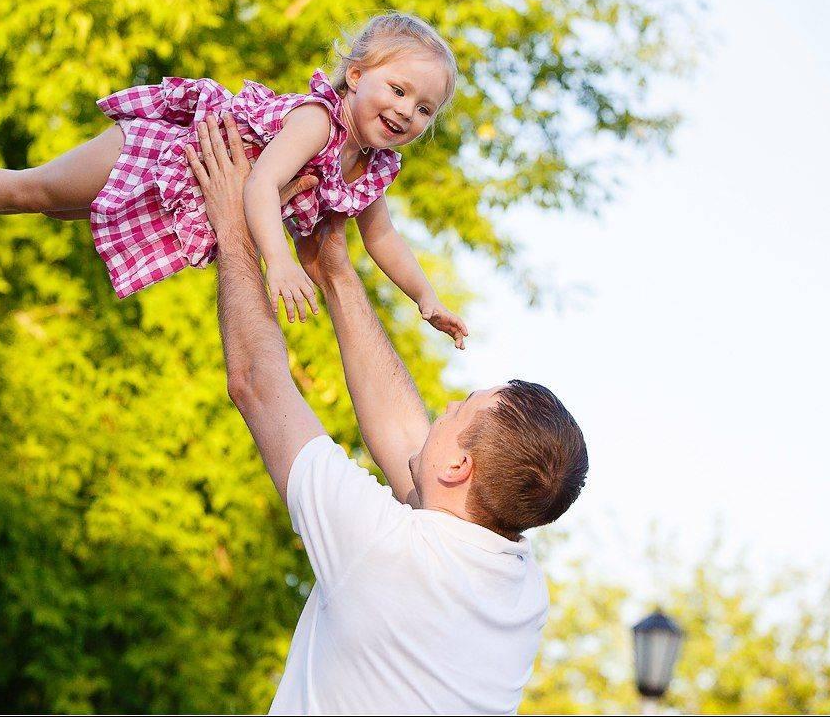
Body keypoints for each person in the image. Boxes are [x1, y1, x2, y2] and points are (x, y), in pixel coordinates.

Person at [189, 112, 589, 714]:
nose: (444, 406)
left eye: (459, 409)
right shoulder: (517, 588)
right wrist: (336, 270)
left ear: (459, 467)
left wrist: (233, 223)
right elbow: (415, 456)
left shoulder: (382, 549)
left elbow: (257, 384)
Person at [0, 12, 468, 348]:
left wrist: (426, 297)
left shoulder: (371, 171)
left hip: (183, 201)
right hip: (162, 158)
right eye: (398, 89)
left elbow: (382, 238)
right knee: (37, 189)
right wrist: (278, 263)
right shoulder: (315, 121)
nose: (406, 113)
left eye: (424, 110)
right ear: (356, 73)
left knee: (57, 209)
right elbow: (259, 188)